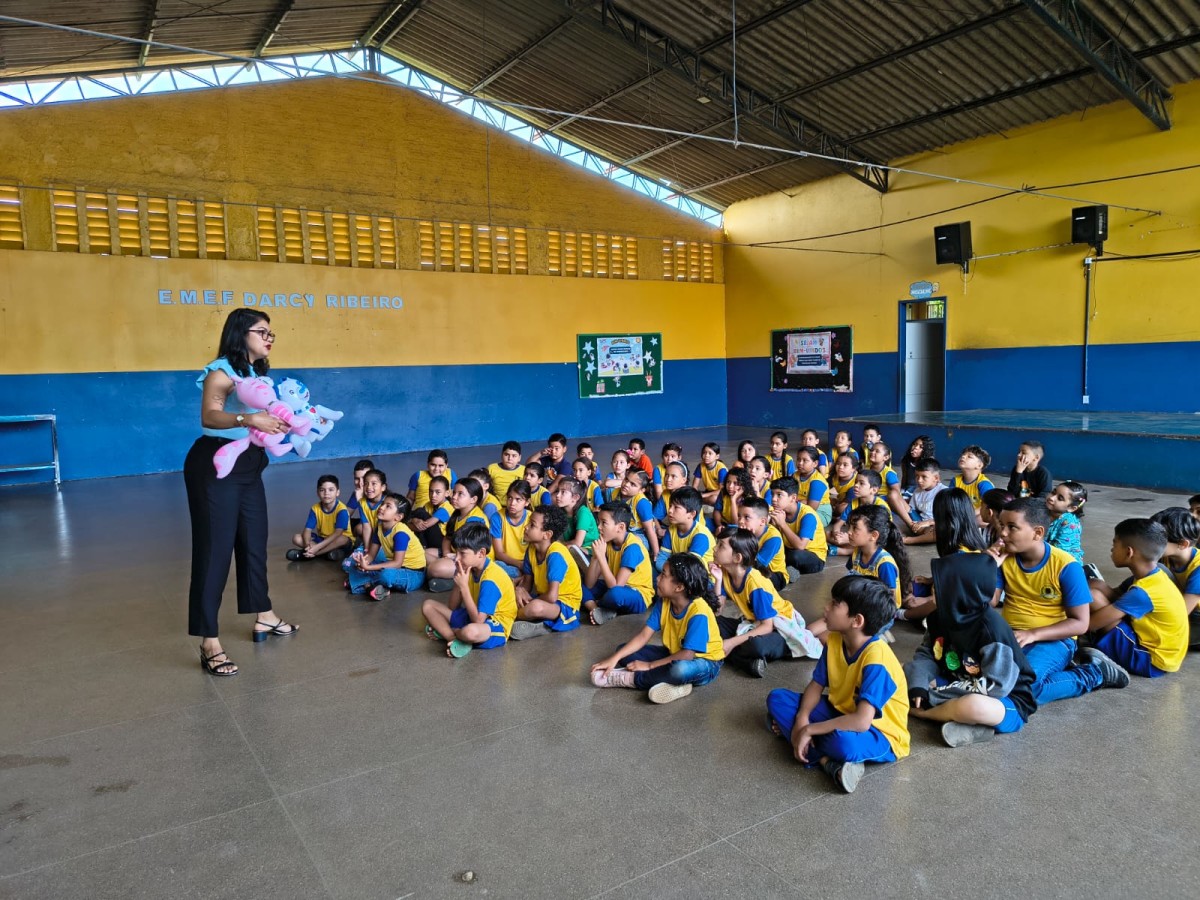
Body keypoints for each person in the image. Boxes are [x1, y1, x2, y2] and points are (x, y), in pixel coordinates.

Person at [184, 309, 295, 677]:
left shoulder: (255, 372)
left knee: (253, 541)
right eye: (261, 331)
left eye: (271, 333)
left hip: (248, 466)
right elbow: (209, 416)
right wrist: (248, 419)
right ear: (239, 334)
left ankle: (263, 616)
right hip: (214, 466)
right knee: (214, 551)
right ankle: (209, 642)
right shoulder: (221, 371)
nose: (269, 338)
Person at [765, 576, 910, 794]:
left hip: (880, 733)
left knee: (843, 744)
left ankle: (823, 759)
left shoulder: (877, 659)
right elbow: (816, 684)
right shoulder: (835, 639)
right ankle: (824, 758)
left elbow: (862, 722)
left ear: (856, 621)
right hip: (840, 711)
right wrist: (802, 718)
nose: (826, 607)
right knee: (777, 699)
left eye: (835, 604)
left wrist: (808, 729)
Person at [904, 537, 1037, 748]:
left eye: (940, 588)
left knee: (974, 707)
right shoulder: (938, 616)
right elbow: (926, 655)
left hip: (1005, 700)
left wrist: (937, 693)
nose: (932, 591)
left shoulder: (991, 630)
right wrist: (919, 685)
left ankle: (927, 715)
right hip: (956, 682)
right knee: (901, 674)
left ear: (962, 592)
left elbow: (996, 687)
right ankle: (966, 724)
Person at [997, 498, 1128, 705]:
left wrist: (1033, 634)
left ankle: (1093, 674)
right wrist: (987, 564)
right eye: (1001, 525)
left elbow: (1080, 623)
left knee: (1023, 687)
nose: (1003, 533)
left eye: (1012, 527)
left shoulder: (1066, 566)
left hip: (1055, 639)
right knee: (985, 678)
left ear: (1038, 533)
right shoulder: (1003, 559)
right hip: (1012, 635)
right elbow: (987, 603)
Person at [590, 553, 724, 704]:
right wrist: (614, 659)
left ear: (679, 587)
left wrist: (649, 665)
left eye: (663, 575)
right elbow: (643, 636)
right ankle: (677, 686)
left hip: (705, 664)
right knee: (623, 652)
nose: (658, 578)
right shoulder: (665, 601)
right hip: (674, 653)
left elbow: (687, 655)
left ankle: (631, 679)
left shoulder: (699, 612)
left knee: (679, 670)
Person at [713, 526, 823, 677]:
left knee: (755, 646)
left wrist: (731, 642)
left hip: (779, 626)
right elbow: (718, 610)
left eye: (720, 546)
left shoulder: (755, 584)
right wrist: (718, 581)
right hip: (753, 622)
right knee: (712, 623)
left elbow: (767, 626)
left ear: (737, 558)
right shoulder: (725, 572)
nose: (714, 548)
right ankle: (747, 662)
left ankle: (782, 648)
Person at [1087, 519, 1188, 677]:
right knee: (1097, 584)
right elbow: (1115, 595)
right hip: (1162, 652)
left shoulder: (1143, 592)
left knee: (1094, 597)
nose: (1111, 549)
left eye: (1115, 544)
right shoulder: (1154, 577)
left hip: (1150, 661)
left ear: (1129, 552)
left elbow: (1091, 624)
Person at [421, 521, 517, 658]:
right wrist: (458, 583)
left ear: (481, 553)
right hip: (473, 614)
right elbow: (453, 607)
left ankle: (453, 634)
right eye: (456, 553)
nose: (457, 559)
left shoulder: (491, 579)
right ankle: (453, 638)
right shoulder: (470, 569)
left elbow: (479, 621)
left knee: (470, 632)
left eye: (463, 554)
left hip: (494, 624)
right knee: (428, 605)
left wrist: (464, 587)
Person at [510, 505, 584, 640]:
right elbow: (526, 584)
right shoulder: (531, 550)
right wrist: (519, 592)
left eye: (532, 525)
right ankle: (539, 625)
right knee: (514, 599)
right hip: (542, 598)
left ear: (547, 534)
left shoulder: (556, 554)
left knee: (535, 607)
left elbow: (551, 597)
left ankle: (512, 619)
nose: (526, 527)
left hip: (565, 607)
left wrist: (527, 600)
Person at [582, 502, 655, 625]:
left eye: (604, 523)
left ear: (620, 527)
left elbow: (616, 586)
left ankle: (600, 605)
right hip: (613, 585)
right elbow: (589, 584)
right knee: (578, 585)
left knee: (615, 594)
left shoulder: (632, 547)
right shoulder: (607, 542)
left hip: (637, 595)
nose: (598, 527)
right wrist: (595, 557)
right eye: (598, 522)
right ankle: (596, 609)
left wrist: (601, 557)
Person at [347, 493, 426, 600]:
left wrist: (368, 568)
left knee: (387, 575)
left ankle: (364, 585)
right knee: (352, 563)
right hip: (393, 566)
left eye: (388, 506)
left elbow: (397, 564)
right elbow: (371, 556)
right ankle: (373, 587)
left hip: (413, 574)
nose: (382, 507)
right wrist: (362, 562)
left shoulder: (400, 533)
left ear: (398, 517)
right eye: (383, 504)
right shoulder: (379, 527)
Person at [425, 476, 491, 587]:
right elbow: (447, 538)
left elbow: (470, 553)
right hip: (454, 554)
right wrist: (446, 554)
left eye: (460, 494)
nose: (454, 497)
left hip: (469, 560)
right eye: (454, 492)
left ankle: (454, 580)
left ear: (473, 499)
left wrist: (452, 557)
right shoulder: (457, 513)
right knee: (421, 554)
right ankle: (445, 575)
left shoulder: (475, 519)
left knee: (434, 568)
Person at [1149, 507, 1200, 648]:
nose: (1150, 544)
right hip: (1177, 607)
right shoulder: (1166, 558)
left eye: (1159, 540)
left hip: (1194, 618)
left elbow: (1180, 615)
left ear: (1183, 544)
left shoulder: (1198, 568)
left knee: (1150, 638)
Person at [768, 476, 827, 576]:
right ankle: (787, 569)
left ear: (793, 498)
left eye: (779, 495)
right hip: (790, 549)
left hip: (812, 556)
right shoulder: (777, 511)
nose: (774, 499)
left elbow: (800, 546)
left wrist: (782, 524)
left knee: (794, 556)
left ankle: (788, 572)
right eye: (772, 494)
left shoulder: (807, 515)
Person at [287, 473, 352, 562]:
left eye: (331, 490)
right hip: (322, 539)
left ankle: (315, 554)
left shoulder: (342, 510)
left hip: (338, 540)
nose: (326, 493)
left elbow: (338, 533)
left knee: (342, 539)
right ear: (317, 492)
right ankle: (324, 553)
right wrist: (307, 545)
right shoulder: (315, 509)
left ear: (337, 492)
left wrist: (316, 549)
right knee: (296, 538)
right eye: (322, 490)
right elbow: (307, 530)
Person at [656, 486, 715, 573]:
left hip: (702, 580)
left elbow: (689, 569)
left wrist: (669, 573)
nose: (670, 511)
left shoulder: (700, 535)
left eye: (676, 507)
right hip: (678, 573)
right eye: (670, 506)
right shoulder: (671, 530)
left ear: (691, 514)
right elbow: (661, 559)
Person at [737, 496, 789, 590]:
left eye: (747, 517)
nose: (740, 521)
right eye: (739, 516)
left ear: (762, 521)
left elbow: (757, 565)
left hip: (773, 574)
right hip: (751, 567)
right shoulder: (742, 530)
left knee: (752, 580)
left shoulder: (773, 538)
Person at [553, 476, 600, 569]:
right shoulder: (561, 512)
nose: (557, 495)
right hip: (571, 546)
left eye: (563, 492)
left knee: (570, 548)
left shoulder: (583, 512)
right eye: (557, 491)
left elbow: (578, 542)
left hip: (589, 551)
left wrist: (558, 544)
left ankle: (587, 569)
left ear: (575, 497)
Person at [489, 480, 531, 578]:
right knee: (495, 566)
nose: (512, 503)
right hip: (505, 562)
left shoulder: (531, 519)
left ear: (527, 502)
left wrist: (525, 565)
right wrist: (519, 564)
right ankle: (521, 577)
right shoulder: (497, 517)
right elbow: (499, 553)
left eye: (518, 499)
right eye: (509, 498)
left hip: (527, 563)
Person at [902, 458, 946, 546]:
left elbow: (948, 518)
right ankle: (916, 532)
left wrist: (928, 522)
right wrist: (916, 523)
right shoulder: (917, 491)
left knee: (942, 531)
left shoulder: (944, 492)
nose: (919, 480)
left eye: (924, 477)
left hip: (933, 526)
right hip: (918, 524)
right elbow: (912, 510)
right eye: (917, 476)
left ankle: (909, 540)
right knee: (895, 497)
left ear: (936, 478)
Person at [619, 469, 661, 559]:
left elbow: (650, 530)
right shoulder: (616, 493)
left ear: (641, 490)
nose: (626, 484)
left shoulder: (642, 503)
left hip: (640, 535)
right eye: (626, 479)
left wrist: (656, 553)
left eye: (633, 484)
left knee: (630, 542)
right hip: (623, 531)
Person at [1045, 481, 1087, 564]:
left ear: (1071, 508)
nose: (1052, 498)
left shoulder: (1070, 524)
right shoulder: (1044, 510)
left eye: (1060, 498)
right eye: (1053, 492)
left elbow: (1059, 553)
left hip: (1064, 562)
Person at [409, 474, 453, 551]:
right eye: (431, 491)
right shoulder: (428, 504)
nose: (433, 495)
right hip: (430, 536)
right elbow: (419, 524)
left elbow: (423, 527)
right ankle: (422, 546)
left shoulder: (446, 508)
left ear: (447, 493)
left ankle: (423, 547)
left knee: (420, 512)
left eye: (438, 492)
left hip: (442, 541)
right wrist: (414, 520)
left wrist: (408, 524)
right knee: (417, 512)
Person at [794, 447, 833, 526]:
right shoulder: (795, 475)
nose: (800, 463)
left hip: (819, 512)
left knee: (802, 521)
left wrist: (796, 502)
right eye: (798, 459)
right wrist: (802, 501)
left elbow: (811, 508)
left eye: (805, 460)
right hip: (800, 505)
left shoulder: (817, 482)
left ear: (815, 463)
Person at [954, 445, 995, 515]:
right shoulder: (955, 481)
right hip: (961, 515)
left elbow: (988, 506)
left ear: (979, 465)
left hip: (978, 515)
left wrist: (967, 516)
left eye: (969, 456)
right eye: (963, 455)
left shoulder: (984, 484)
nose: (963, 457)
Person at [486, 440, 526, 504]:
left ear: (519, 458)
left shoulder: (524, 470)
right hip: (497, 505)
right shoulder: (492, 468)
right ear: (502, 455)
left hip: (516, 505)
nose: (510, 458)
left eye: (514, 456)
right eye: (506, 455)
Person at [692, 442, 728, 507]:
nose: (706, 455)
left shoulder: (721, 469)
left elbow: (721, 490)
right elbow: (694, 486)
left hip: (721, 493)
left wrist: (703, 495)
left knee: (714, 499)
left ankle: (701, 501)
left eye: (710, 453)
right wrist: (694, 494)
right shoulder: (701, 466)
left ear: (717, 456)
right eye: (704, 452)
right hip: (708, 492)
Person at [829, 451, 859, 519]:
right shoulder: (834, 477)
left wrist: (837, 505)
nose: (840, 467)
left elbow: (848, 502)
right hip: (841, 500)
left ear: (853, 469)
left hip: (855, 503)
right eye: (838, 464)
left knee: (841, 508)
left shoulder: (856, 482)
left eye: (845, 465)